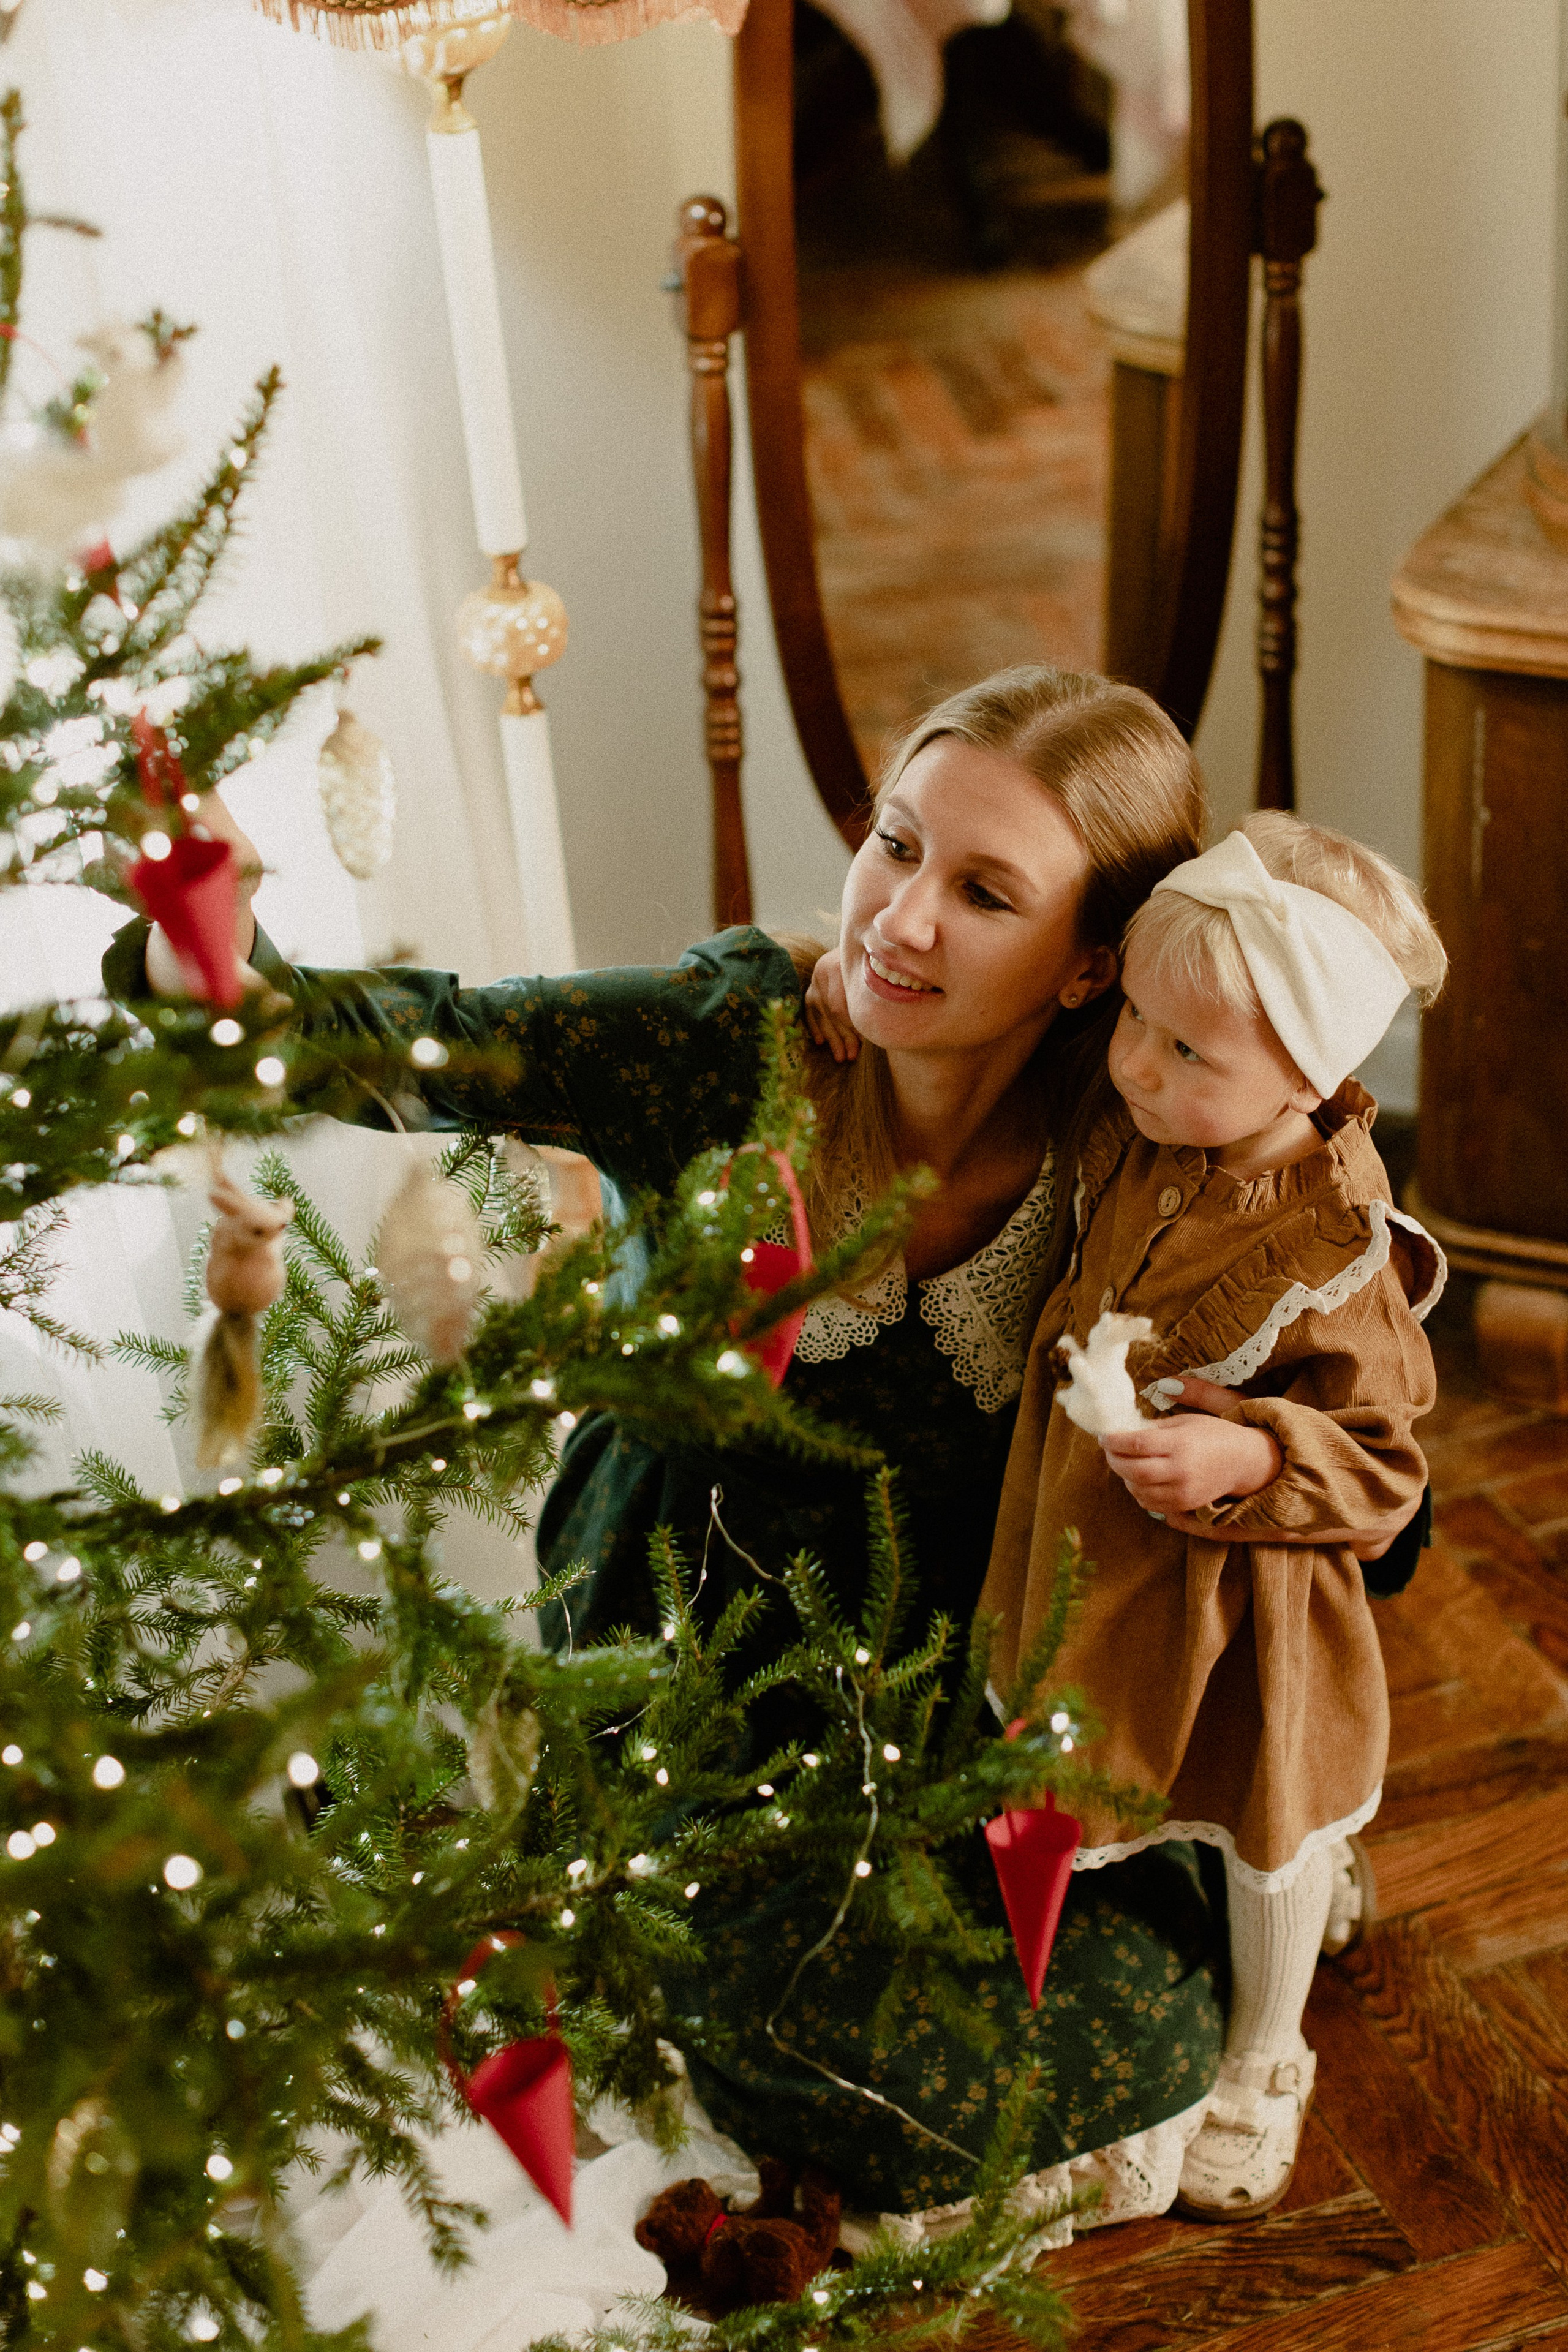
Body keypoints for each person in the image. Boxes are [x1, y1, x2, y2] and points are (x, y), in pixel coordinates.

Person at [102, 669, 1411, 2232]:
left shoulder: (1149, 1136)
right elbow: (406, 1045)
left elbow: (1370, 1445)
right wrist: (223, 948)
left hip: (961, 1700)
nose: (898, 919)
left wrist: (1248, 1458)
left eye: (983, 893)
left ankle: (1235, 1893)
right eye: (894, 842)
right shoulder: (728, 1044)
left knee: (1094, 2036)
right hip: (687, 1656)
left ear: (1091, 970)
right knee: (779, 2031)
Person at [971, 812, 1447, 2223]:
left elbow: (1380, 1469)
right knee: (1072, 1742)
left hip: (1246, 1609)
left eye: (1186, 1052)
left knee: (1262, 1816)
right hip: (1088, 1544)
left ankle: (1262, 2051)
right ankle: (1060, 1953)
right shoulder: (1144, 1127)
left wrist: (1245, 1454)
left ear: (1314, 1074)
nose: (1133, 1064)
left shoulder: (1329, 1246)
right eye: (1134, 1023)